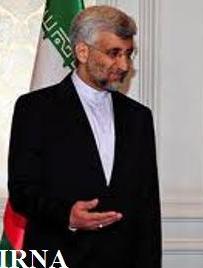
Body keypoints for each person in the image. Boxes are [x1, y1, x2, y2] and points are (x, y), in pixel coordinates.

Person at [8, 6, 161, 268]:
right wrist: (66, 215)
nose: (124, 65)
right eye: (114, 53)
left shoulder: (139, 118)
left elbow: (147, 210)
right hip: (53, 260)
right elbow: (21, 192)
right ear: (82, 51)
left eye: (128, 54)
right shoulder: (35, 109)